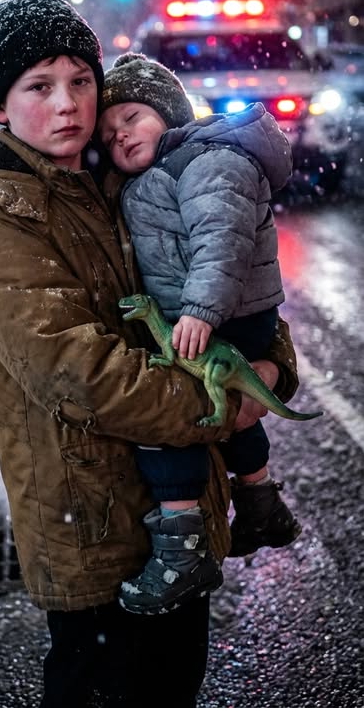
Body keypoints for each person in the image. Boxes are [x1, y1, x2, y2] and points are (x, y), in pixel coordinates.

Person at [0, 0, 299, 708]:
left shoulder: (122, 179)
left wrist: (272, 365)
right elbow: (81, 374)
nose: (67, 103)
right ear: (0, 107)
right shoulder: (2, 216)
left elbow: (237, 288)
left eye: (80, 81)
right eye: (39, 86)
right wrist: (225, 406)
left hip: (175, 516)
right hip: (94, 529)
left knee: (171, 685)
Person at [98, 50, 302, 617]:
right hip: (205, 313)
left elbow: (222, 239)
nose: (121, 137)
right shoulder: (159, 172)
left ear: (168, 112)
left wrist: (200, 311)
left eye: (132, 119)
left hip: (224, 313)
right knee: (229, 414)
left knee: (173, 424)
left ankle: (183, 546)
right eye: (110, 134)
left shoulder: (206, 160)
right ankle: (261, 501)